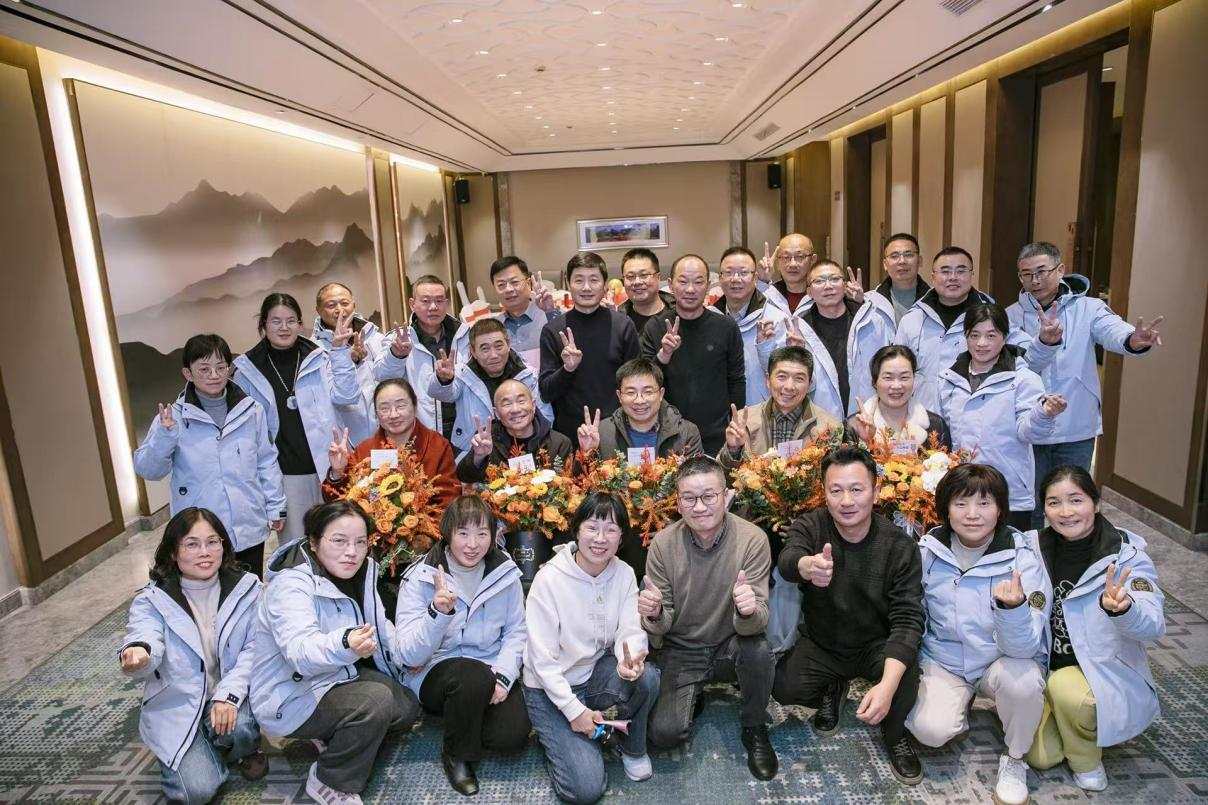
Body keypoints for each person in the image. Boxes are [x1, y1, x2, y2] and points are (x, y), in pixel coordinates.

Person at [773, 445, 925, 785]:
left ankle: (895, 735)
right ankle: (833, 687)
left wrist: (887, 686)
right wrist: (806, 566)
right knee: (782, 686)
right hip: (823, 643)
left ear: (875, 491)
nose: (846, 501)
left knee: (904, 675)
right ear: (824, 493)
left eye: (856, 489)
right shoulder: (811, 525)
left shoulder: (899, 546)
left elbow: (908, 620)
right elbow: (788, 560)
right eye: (836, 490)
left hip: (875, 645)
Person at [250, 500, 419, 805]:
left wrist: (407, 657)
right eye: (339, 541)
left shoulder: (361, 570)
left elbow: (380, 626)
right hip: (290, 693)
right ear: (314, 542)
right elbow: (300, 653)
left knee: (405, 707)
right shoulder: (291, 586)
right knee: (375, 703)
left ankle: (332, 733)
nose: (351, 551)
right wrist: (345, 643)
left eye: (360, 542)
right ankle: (330, 780)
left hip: (335, 674)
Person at [904, 464, 1050, 805]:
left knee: (1025, 683)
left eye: (984, 503)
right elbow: (911, 614)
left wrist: (1013, 610)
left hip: (1002, 661)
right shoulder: (928, 550)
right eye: (961, 503)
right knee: (930, 731)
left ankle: (1015, 759)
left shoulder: (1023, 558)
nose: (972, 514)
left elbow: (1026, 647)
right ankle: (960, 702)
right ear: (945, 509)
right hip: (945, 662)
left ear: (1000, 509)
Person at [1025, 465, 1166, 792]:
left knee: (1066, 688)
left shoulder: (1126, 556)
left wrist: (1125, 610)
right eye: (1054, 502)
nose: (1066, 512)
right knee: (1040, 757)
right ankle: (1077, 722)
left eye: (1076, 500)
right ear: (1044, 509)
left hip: (1100, 671)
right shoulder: (1032, 549)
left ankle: (1087, 763)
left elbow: (1154, 624)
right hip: (1045, 668)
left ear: (1096, 503)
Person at [1006, 241, 1163, 527]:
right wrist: (1044, 342)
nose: (1035, 280)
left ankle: (1071, 553)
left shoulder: (1089, 308)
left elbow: (1113, 331)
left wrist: (1133, 339)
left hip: (1076, 425)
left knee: (1073, 505)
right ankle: (1033, 554)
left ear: (1060, 270)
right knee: (1031, 507)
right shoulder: (1010, 316)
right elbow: (1024, 365)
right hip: (1028, 426)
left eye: (1041, 271)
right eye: (1026, 274)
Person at [641, 456, 778, 781]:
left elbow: (758, 620)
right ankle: (694, 692)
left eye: (709, 496)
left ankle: (755, 726)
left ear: (726, 496)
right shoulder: (663, 544)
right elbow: (662, 623)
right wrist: (655, 613)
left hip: (730, 643)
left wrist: (747, 610)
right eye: (689, 498)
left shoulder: (752, 539)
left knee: (758, 650)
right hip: (681, 649)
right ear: (678, 503)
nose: (699, 506)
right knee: (663, 735)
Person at [119, 508, 267, 804]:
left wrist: (227, 695)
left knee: (240, 729)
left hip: (230, 693)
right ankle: (203, 748)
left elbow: (255, 648)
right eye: (191, 544)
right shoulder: (153, 599)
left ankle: (235, 745)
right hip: (180, 703)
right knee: (195, 792)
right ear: (173, 552)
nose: (204, 552)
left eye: (213, 542)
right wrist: (140, 651)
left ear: (224, 546)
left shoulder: (247, 588)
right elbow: (144, 633)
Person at [524, 492, 661, 803]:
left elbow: (629, 628)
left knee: (647, 677)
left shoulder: (624, 573)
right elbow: (542, 661)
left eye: (611, 530)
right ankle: (562, 735)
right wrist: (574, 712)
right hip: (549, 688)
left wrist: (629, 660)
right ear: (576, 530)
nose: (600, 539)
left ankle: (631, 747)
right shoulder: (549, 580)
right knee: (585, 790)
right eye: (592, 528)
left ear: (621, 537)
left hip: (594, 675)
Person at [394, 496, 530, 796]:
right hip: (434, 671)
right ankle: (457, 754)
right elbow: (407, 654)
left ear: (494, 536)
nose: (473, 544)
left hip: (489, 668)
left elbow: (516, 632)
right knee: (471, 677)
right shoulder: (420, 576)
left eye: (482, 533)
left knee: (511, 736)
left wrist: (504, 676)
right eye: (463, 533)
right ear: (448, 533)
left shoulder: (505, 573)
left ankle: (462, 713)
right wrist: (437, 614)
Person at [135, 334, 286, 578]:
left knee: (249, 589)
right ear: (188, 373)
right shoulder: (173, 418)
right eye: (204, 369)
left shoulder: (251, 410)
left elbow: (266, 461)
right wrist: (165, 436)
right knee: (207, 594)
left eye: (221, 367)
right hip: (200, 533)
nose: (214, 375)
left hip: (247, 524)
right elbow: (148, 470)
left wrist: (276, 506)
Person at [232, 293, 361, 543]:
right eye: (276, 321)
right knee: (297, 546)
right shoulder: (247, 369)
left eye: (291, 321)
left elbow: (347, 396)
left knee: (337, 539)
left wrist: (339, 352)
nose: (284, 327)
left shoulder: (319, 356)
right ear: (263, 324)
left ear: (300, 324)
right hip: (285, 475)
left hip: (329, 467)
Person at [937, 303, 1067, 531]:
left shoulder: (1023, 378)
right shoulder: (949, 379)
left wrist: (1044, 413)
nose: (981, 343)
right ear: (965, 337)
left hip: (1009, 489)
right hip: (962, 489)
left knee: (1010, 548)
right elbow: (941, 432)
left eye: (991, 335)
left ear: (1005, 337)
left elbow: (1029, 432)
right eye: (974, 335)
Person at [640, 254, 745, 454]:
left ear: (708, 286)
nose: (690, 289)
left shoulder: (726, 326)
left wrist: (736, 422)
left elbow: (736, 380)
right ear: (670, 285)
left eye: (698, 282)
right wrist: (664, 355)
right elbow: (646, 383)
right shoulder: (655, 326)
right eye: (683, 281)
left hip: (717, 435)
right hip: (668, 435)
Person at [539, 252, 639, 446]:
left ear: (605, 284)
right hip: (570, 435)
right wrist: (567, 369)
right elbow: (546, 392)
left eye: (594, 280)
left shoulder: (623, 326)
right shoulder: (553, 330)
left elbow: (635, 382)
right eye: (579, 280)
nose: (586, 287)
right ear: (568, 284)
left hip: (618, 432)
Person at [324, 378, 458, 509]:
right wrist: (338, 472)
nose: (393, 415)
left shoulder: (437, 446)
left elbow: (449, 502)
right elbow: (339, 507)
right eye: (384, 408)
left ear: (415, 406)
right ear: (376, 413)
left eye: (401, 406)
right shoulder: (364, 450)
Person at [894, 246, 997, 410]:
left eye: (961, 271)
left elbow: (1018, 360)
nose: (953, 277)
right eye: (945, 271)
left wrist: (1042, 341)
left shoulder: (993, 317)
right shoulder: (912, 319)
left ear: (972, 274)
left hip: (973, 414)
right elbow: (897, 369)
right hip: (922, 414)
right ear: (933, 276)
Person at [429, 317, 551, 453]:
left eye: (499, 346)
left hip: (523, 451)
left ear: (508, 344)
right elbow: (442, 394)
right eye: (485, 349)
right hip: (473, 450)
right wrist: (444, 379)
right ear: (473, 352)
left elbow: (544, 416)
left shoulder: (529, 375)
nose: (494, 355)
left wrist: (539, 449)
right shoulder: (462, 374)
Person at [792, 258, 894, 419]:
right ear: (809, 292)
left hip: (869, 415)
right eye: (819, 281)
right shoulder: (799, 329)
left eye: (834, 279)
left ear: (845, 285)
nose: (828, 286)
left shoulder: (872, 321)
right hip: (821, 419)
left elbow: (887, 368)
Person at [373, 275, 471, 442]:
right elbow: (381, 376)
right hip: (420, 431)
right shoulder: (398, 338)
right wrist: (396, 356)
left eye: (439, 301)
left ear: (446, 303)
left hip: (464, 429)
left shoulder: (465, 335)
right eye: (426, 301)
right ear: (412, 304)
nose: (433, 307)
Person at [719, 345, 842, 471]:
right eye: (782, 377)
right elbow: (723, 476)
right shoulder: (744, 422)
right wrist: (733, 450)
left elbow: (834, 477)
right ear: (768, 380)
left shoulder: (829, 427)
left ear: (809, 384)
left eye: (799, 379)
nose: (789, 386)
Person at [578, 357, 703, 461]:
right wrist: (587, 452)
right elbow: (580, 481)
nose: (639, 400)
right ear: (619, 396)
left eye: (647, 392)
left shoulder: (686, 432)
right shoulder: (601, 432)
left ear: (661, 394)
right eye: (631, 392)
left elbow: (698, 478)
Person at [457, 379, 574, 484]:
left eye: (521, 401)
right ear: (496, 413)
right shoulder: (487, 440)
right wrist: (479, 457)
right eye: (507, 404)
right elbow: (465, 477)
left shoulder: (559, 443)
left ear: (533, 405)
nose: (515, 409)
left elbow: (569, 484)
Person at [713, 245, 790, 405]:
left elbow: (786, 373)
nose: (735, 279)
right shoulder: (710, 318)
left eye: (743, 273)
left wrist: (765, 348)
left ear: (755, 278)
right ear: (720, 279)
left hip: (760, 410)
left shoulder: (775, 319)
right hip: (717, 411)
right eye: (728, 273)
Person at [312, 282, 386, 443]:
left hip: (385, 435)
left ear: (354, 305)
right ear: (318, 310)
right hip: (343, 440)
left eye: (344, 303)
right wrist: (347, 359)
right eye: (331, 305)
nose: (339, 309)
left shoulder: (375, 338)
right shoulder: (313, 351)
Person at [847, 345, 952, 452]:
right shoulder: (853, 427)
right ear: (874, 382)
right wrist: (868, 441)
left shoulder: (936, 426)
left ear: (914, 379)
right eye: (888, 378)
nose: (896, 386)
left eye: (904, 377)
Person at [489, 255, 562, 365]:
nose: (508, 289)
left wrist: (550, 312)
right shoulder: (493, 328)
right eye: (501, 285)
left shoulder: (549, 316)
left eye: (514, 282)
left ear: (528, 284)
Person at [874, 234, 931, 323]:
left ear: (919, 261)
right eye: (894, 256)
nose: (902, 261)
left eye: (908, 255)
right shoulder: (871, 301)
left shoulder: (935, 299)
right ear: (885, 264)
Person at [617, 247, 673, 335]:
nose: (637, 282)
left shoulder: (679, 310)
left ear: (658, 278)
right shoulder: (619, 319)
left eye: (644, 275)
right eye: (630, 276)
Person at [759, 233, 818, 316]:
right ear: (777, 262)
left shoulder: (823, 295)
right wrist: (762, 282)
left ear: (812, 260)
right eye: (786, 257)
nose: (792, 264)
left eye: (799, 256)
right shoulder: (766, 294)